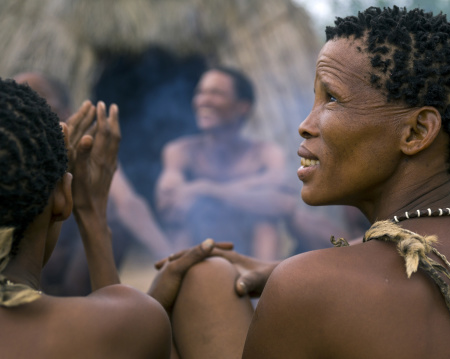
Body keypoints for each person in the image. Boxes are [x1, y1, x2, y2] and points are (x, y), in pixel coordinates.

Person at [151, 6, 450, 358]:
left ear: (416, 131)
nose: (305, 124)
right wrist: (272, 268)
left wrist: (153, 326)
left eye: (332, 98)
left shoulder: (308, 285)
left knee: (201, 280)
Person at [0, 78, 174, 357]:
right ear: (63, 197)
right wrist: (92, 212)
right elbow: (126, 334)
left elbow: (130, 206)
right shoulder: (136, 322)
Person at [13, 71, 173, 295]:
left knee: (115, 224)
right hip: (24, 272)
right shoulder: (9, 154)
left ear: (67, 112)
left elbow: (128, 203)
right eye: (16, 98)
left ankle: (82, 303)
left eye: (37, 96)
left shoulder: (88, 148)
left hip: (77, 269)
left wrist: (167, 255)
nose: (25, 105)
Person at [155, 66, 295, 260]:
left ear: (242, 106)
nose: (203, 100)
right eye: (200, 93)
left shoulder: (265, 153)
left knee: (265, 223)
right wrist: (252, 187)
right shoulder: (180, 151)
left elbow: (284, 205)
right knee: (184, 226)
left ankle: (264, 286)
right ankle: (182, 283)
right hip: (201, 246)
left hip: (251, 252)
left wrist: (208, 189)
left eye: (216, 93)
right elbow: (169, 207)